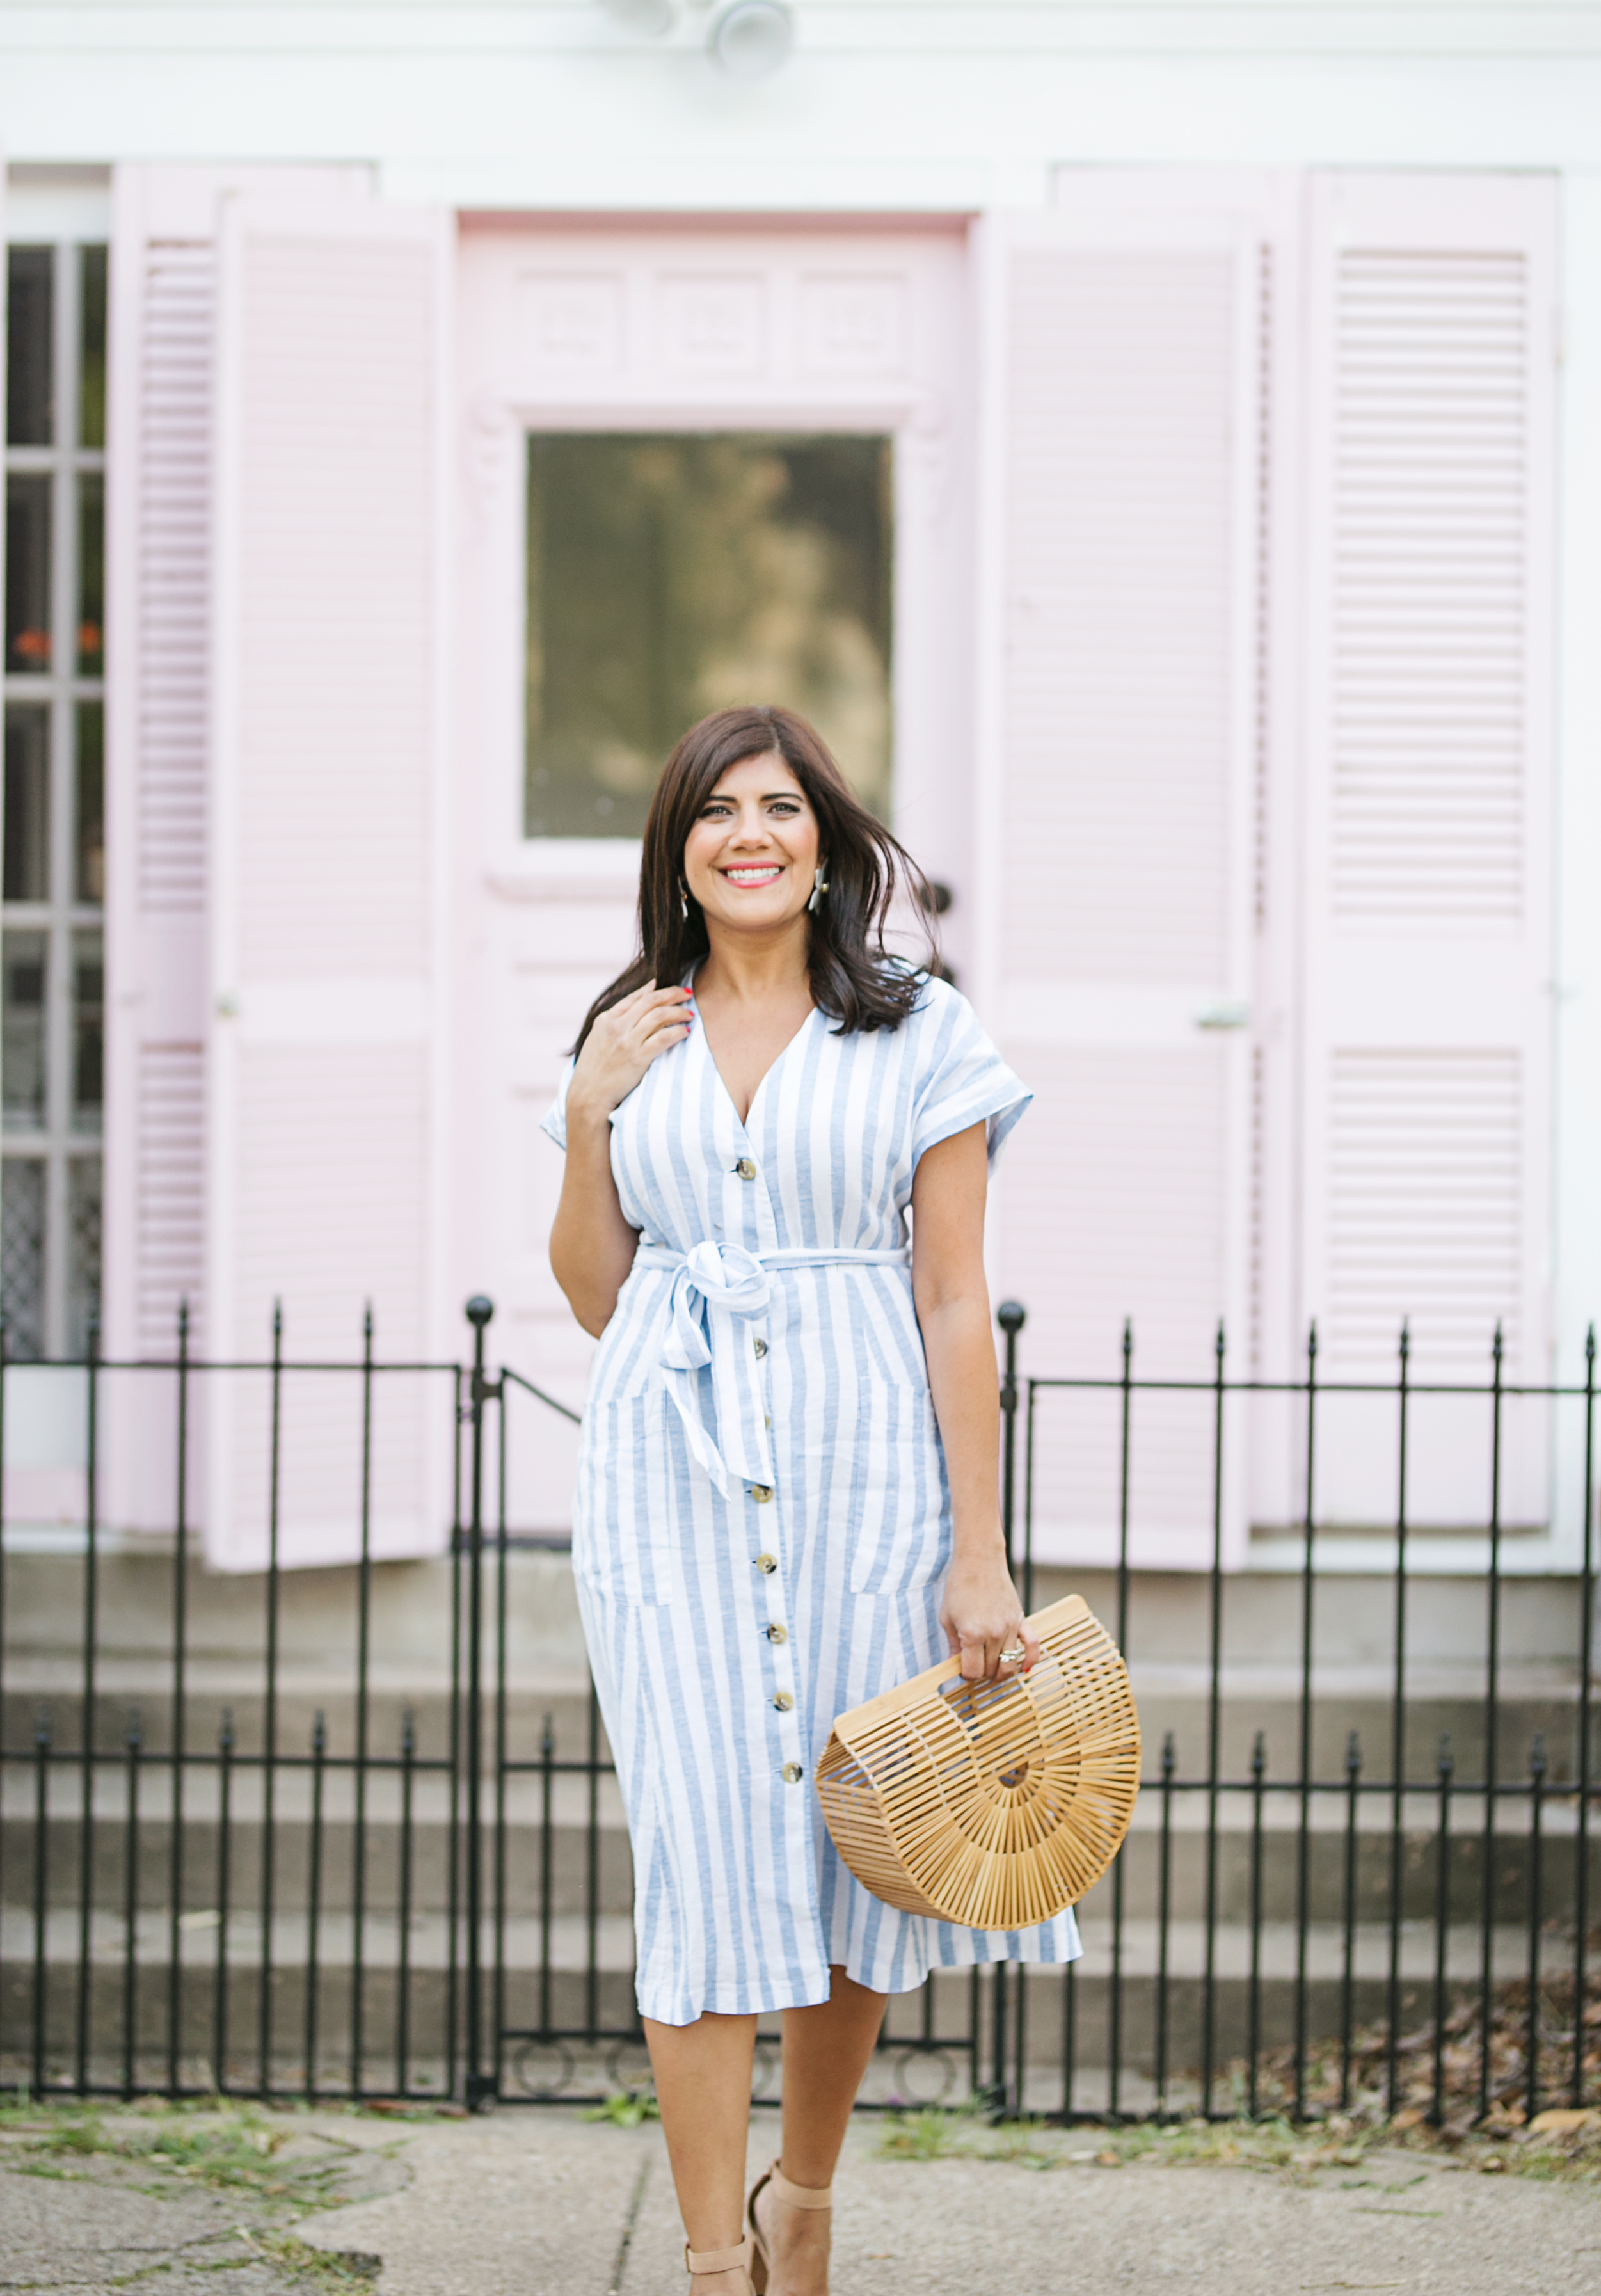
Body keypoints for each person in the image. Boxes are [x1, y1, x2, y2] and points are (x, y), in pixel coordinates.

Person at [543, 705, 1078, 2295]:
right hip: (668, 1494)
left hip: (870, 1490)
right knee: (700, 1863)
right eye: (715, 810)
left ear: (828, 842)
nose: (749, 832)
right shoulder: (630, 1032)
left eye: (780, 805)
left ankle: (807, 2201)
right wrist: (585, 1115)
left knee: (864, 1846)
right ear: (680, 850)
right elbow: (591, 1295)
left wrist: (977, 1553)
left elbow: (952, 1300)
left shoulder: (921, 1030)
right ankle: (717, 2260)